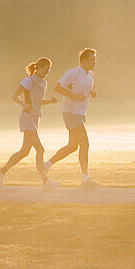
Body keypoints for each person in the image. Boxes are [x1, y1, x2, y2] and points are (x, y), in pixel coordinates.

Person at [0, 57, 60, 190]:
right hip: (27, 117)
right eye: (46, 69)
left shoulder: (43, 83)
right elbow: (15, 96)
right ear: (40, 68)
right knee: (40, 149)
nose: (47, 72)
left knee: (24, 151)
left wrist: (51, 101)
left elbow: (38, 102)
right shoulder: (28, 81)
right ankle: (45, 181)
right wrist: (24, 105)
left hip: (35, 118)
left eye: (49, 70)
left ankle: (1, 172)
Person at [45, 47, 101, 188]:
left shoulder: (90, 75)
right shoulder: (73, 73)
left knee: (72, 146)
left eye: (95, 59)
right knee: (85, 144)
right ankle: (85, 179)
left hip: (80, 113)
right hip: (71, 112)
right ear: (84, 60)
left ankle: (46, 165)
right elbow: (57, 87)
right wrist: (74, 96)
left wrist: (92, 92)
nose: (95, 62)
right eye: (92, 59)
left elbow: (89, 89)